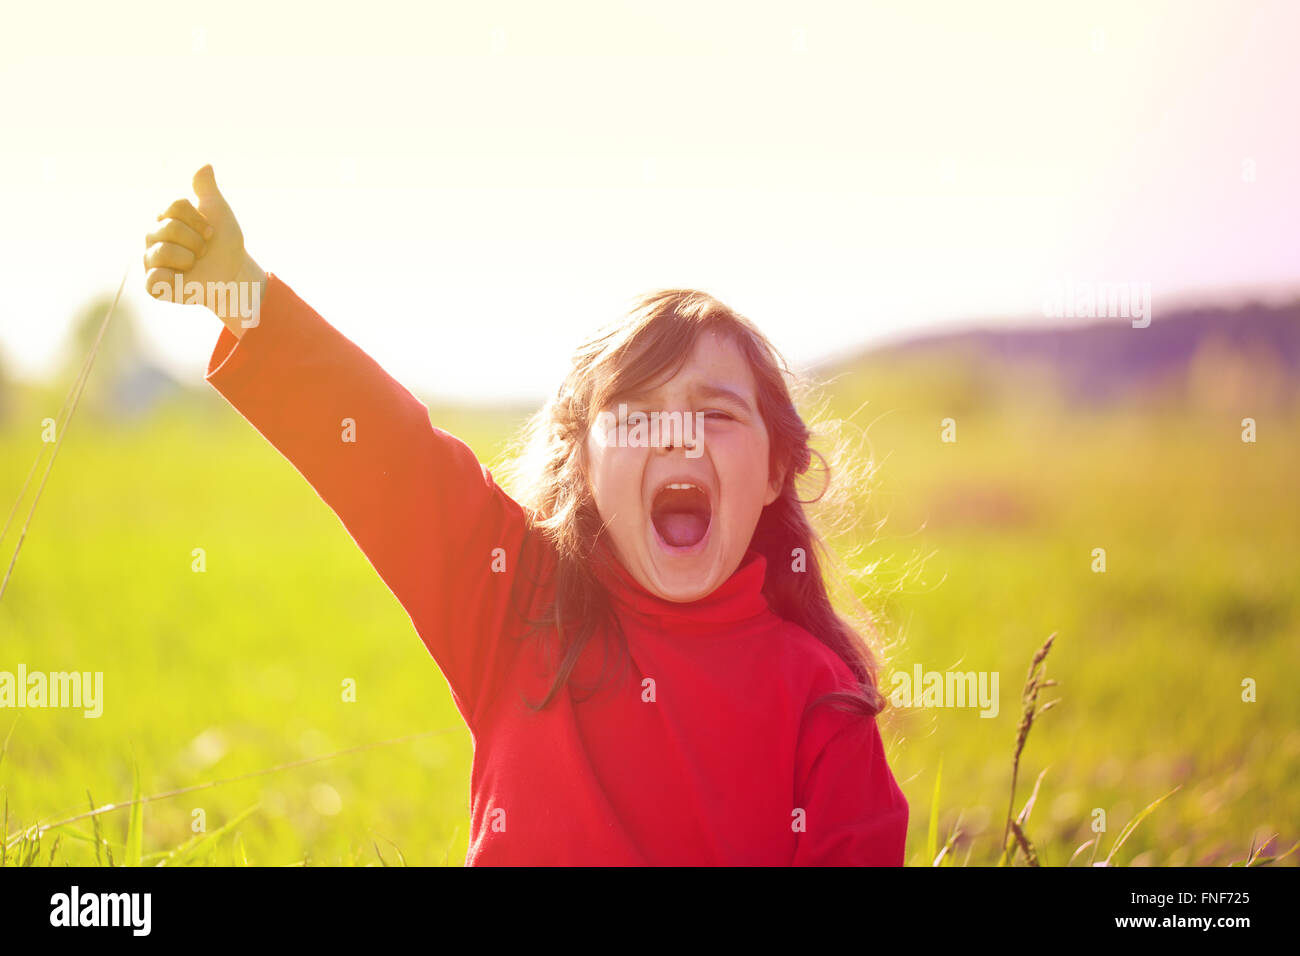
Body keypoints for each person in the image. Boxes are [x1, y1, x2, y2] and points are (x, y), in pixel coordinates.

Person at [144, 164, 909, 865]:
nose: (677, 436)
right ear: (585, 461)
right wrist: (241, 293)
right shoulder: (515, 603)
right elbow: (388, 452)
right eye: (638, 416)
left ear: (776, 468)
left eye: (715, 414)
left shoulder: (818, 694)